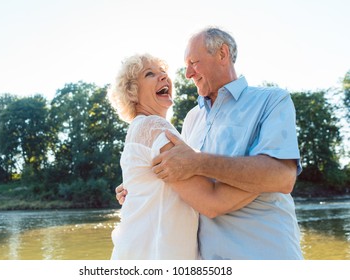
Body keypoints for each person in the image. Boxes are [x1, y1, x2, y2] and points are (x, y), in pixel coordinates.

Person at [117, 27, 304, 260]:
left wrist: (199, 162)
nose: (187, 73)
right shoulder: (191, 120)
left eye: (194, 62)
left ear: (222, 54)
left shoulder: (272, 100)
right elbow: (190, 190)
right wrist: (141, 188)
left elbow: (283, 178)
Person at [108, 53, 258, 260]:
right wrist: (268, 180)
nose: (164, 78)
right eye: (150, 74)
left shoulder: (144, 128)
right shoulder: (154, 127)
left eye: (164, 73)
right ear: (132, 92)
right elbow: (210, 202)